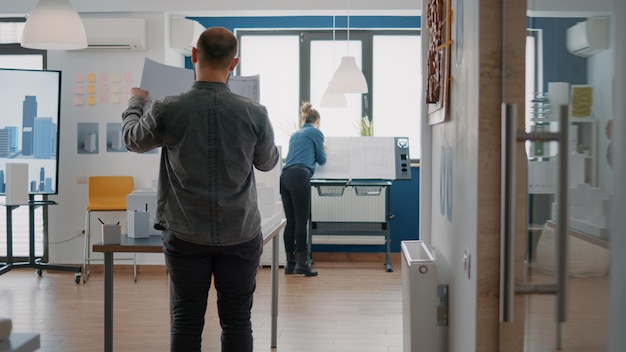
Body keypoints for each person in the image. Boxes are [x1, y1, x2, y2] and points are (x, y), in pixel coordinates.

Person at [121, 27, 279, 352]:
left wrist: (136, 101)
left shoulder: (167, 108)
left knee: (186, 319)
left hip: (184, 234)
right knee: (237, 320)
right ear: (233, 64)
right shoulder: (254, 112)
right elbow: (267, 163)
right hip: (240, 232)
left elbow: (132, 139)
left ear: (194, 55)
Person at [280, 102, 327, 276]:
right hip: (300, 176)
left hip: (284, 177)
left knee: (290, 221)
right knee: (301, 221)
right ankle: (302, 264)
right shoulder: (316, 132)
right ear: (318, 121)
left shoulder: (295, 134)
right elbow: (321, 160)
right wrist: (324, 149)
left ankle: (290, 264)